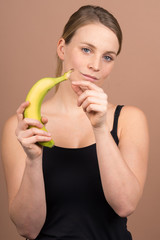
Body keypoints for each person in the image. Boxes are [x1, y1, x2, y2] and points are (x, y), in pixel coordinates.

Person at [1, 5, 149, 240]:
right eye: (87, 50)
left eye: (108, 57)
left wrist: (100, 128)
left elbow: (125, 205)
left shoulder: (128, 120)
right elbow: (27, 229)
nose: (96, 66)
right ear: (62, 48)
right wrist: (33, 161)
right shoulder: (22, 126)